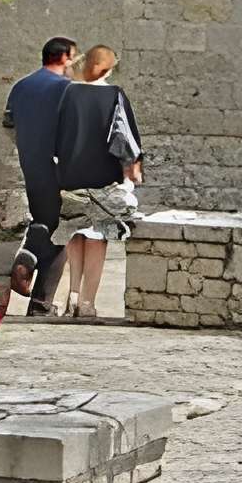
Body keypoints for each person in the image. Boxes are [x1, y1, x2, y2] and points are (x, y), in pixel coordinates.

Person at [48, 44, 144, 320]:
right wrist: (133, 168)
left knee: (75, 235)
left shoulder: (66, 94)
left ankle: (72, 297)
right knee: (98, 239)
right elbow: (127, 139)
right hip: (103, 177)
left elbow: (53, 135)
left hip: (69, 175)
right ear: (108, 68)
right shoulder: (115, 95)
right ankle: (87, 302)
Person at [1, 36, 78, 316]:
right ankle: (40, 303)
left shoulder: (21, 86)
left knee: (44, 222)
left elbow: (9, 124)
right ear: (63, 58)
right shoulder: (68, 90)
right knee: (61, 233)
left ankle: (28, 262)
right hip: (59, 168)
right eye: (73, 59)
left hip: (30, 164)